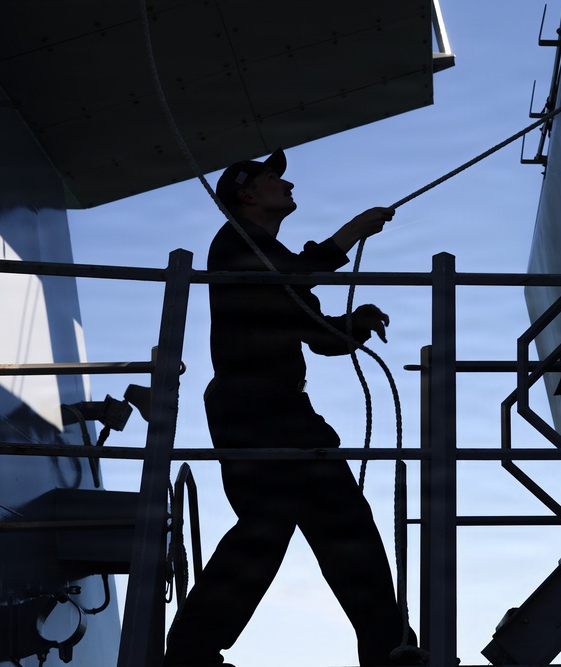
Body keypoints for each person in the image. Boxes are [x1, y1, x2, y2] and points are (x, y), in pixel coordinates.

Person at [164, 149, 414, 667]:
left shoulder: (271, 262)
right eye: (273, 178)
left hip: (287, 412)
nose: (288, 183)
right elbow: (300, 278)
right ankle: (189, 652)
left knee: (346, 523)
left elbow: (320, 337)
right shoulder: (235, 247)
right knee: (266, 526)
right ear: (246, 194)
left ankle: (389, 647)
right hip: (249, 409)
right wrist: (352, 232)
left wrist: (359, 321)